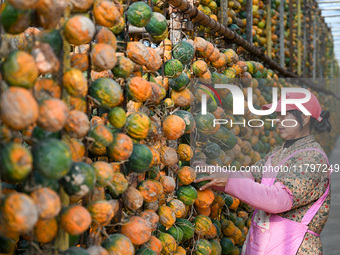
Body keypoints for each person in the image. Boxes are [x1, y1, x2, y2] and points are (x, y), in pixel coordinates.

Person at [194, 92, 333, 255]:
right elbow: (250, 176)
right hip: (267, 244)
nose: (278, 122)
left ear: (305, 118)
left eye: (284, 116)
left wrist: (228, 180)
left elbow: (277, 200)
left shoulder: (313, 158)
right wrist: (211, 172)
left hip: (295, 249)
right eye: (277, 116)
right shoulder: (279, 152)